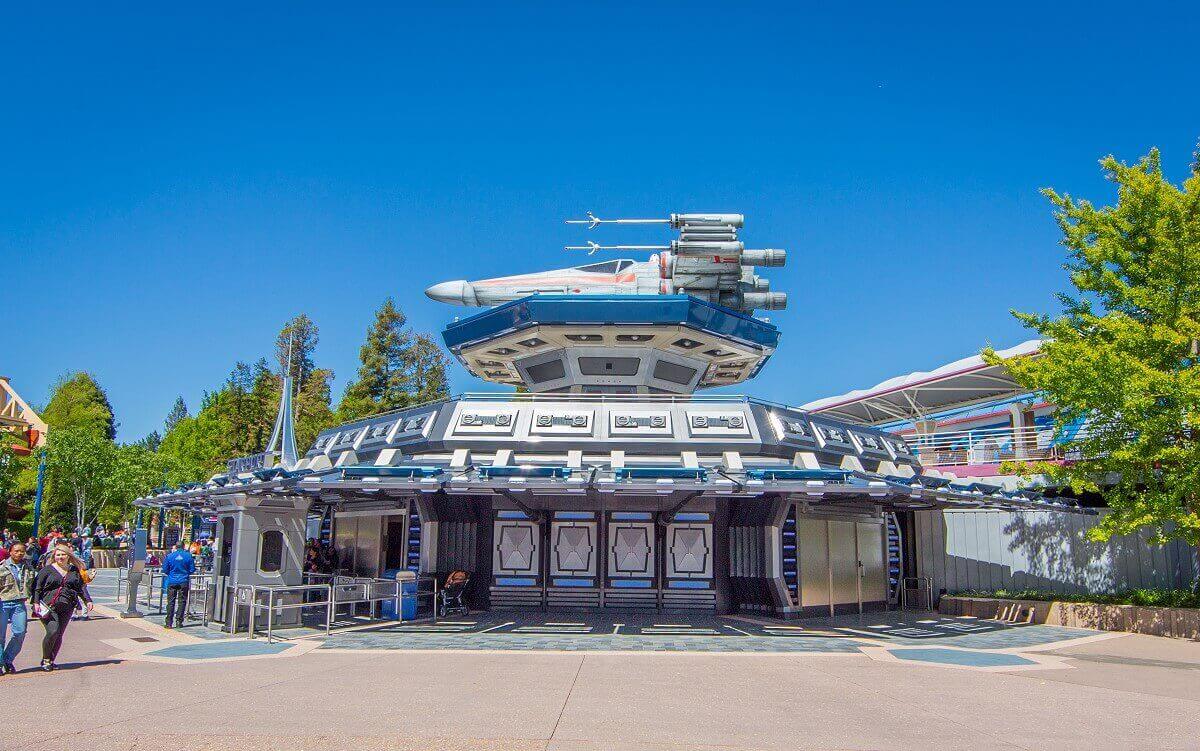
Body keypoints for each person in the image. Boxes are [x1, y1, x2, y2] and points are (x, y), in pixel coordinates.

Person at [32, 543, 93, 671]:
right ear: (54, 556)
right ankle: (46, 659)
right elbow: (37, 587)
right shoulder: (47, 570)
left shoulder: (74, 570)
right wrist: (36, 602)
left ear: (68, 556)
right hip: (48, 606)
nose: (60, 557)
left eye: (63, 554)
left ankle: (51, 660)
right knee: (52, 630)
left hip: (67, 605)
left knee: (59, 634)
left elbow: (80, 587)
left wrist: (87, 600)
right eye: (58, 555)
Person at [0, 542, 36, 674]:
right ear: (10, 552)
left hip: (19, 603)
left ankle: (7, 659)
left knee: (20, 632)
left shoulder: (28, 567)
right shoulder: (2, 567)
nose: (19, 553)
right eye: (16, 551)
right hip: (3, 603)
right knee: (0, 636)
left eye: (22, 551)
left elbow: (33, 584)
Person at [161, 543, 195, 629]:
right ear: (183, 547)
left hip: (172, 581)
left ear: (175, 547)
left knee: (170, 602)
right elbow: (192, 569)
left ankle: (168, 622)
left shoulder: (170, 556)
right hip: (183, 581)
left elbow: (165, 569)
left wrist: (171, 574)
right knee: (182, 601)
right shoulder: (188, 556)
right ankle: (179, 621)